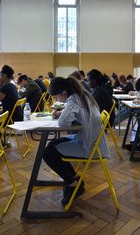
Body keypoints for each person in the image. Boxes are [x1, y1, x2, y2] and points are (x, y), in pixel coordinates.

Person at [43, 76, 109, 205]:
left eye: (56, 97)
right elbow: (73, 116)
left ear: (64, 93)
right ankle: (75, 180)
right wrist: (62, 112)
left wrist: (61, 114)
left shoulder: (73, 100)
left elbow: (62, 124)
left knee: (48, 153)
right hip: (92, 141)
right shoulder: (81, 95)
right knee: (52, 144)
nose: (57, 100)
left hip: (90, 147)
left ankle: (72, 184)